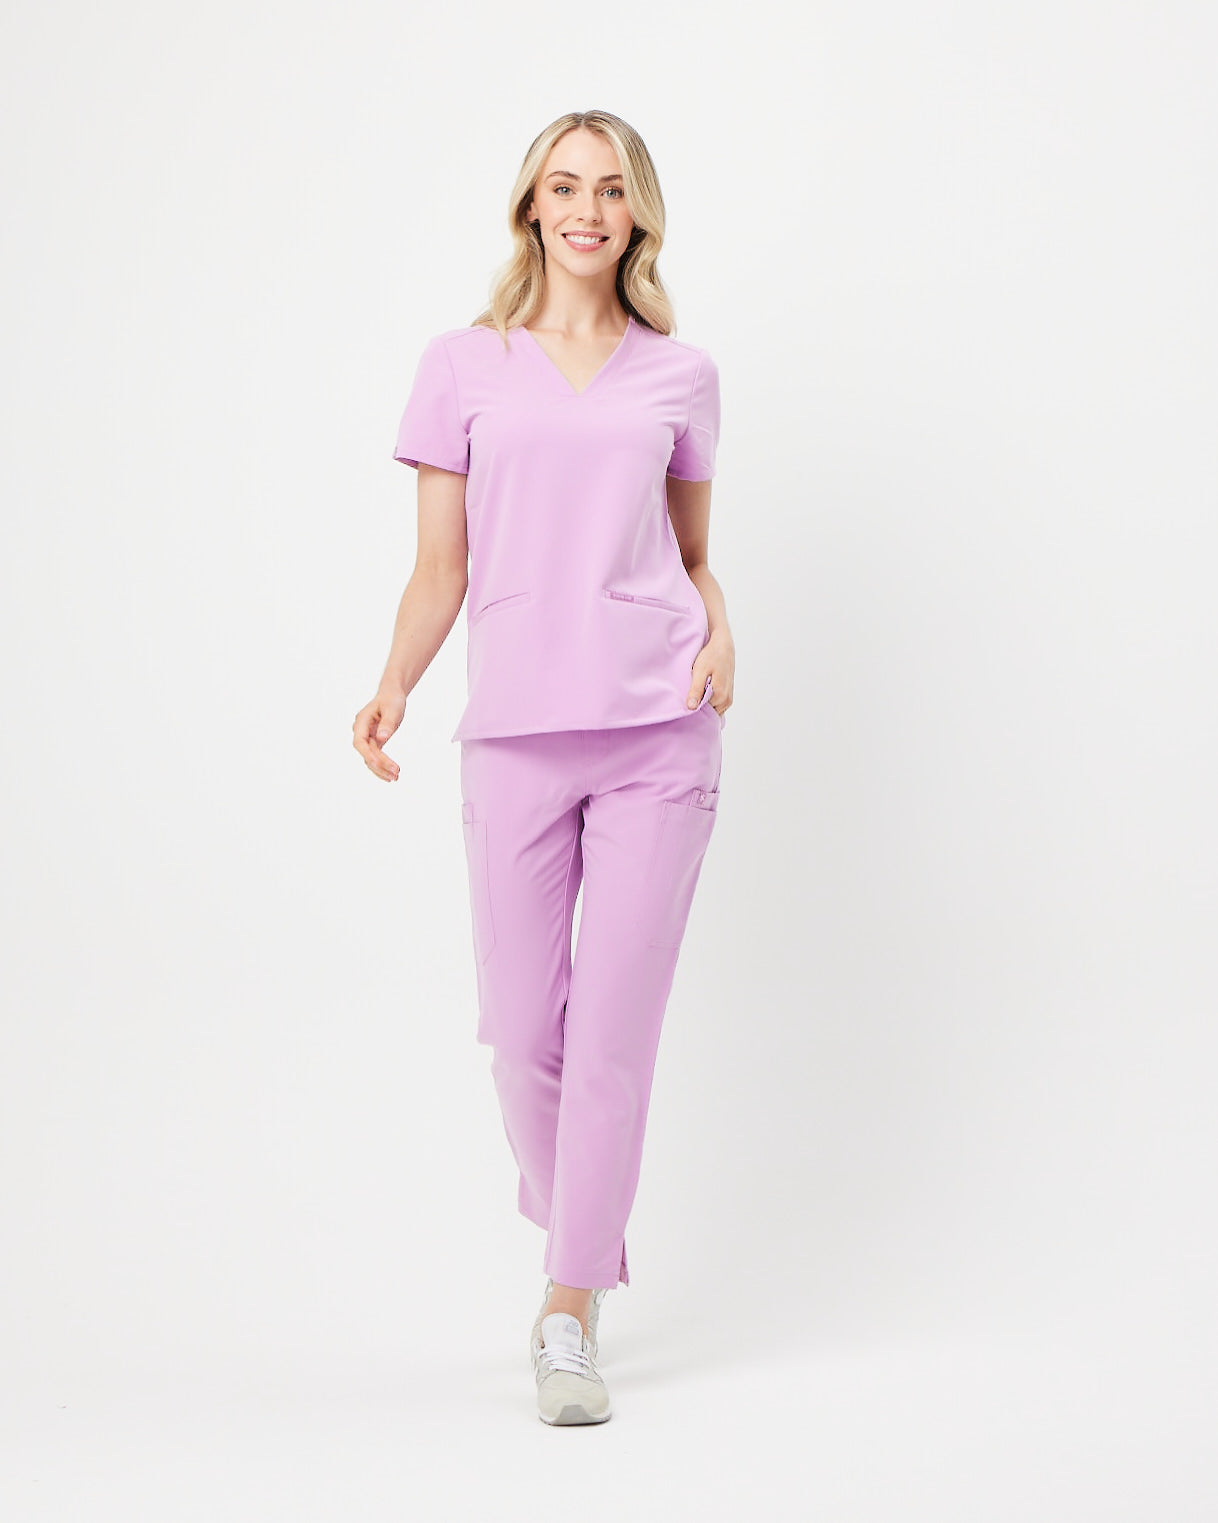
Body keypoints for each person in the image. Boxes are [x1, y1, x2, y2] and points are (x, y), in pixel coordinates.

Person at [352, 109, 735, 1426]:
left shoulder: (681, 375)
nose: (585, 208)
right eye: (563, 186)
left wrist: (722, 626)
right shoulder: (462, 366)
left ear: (637, 215)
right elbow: (439, 568)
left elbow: (692, 557)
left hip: (659, 727)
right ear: (530, 207)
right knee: (523, 1036)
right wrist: (394, 683)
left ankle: (568, 1311)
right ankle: (587, 1223)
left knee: (614, 1036)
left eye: (610, 189)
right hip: (514, 729)